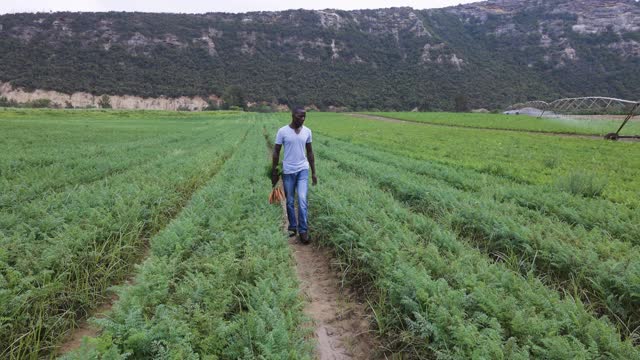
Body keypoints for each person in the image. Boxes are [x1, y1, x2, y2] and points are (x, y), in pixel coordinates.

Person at [272, 107, 317, 244]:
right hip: (288, 171)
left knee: (302, 200)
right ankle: (292, 227)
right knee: (290, 201)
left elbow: (310, 152)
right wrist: (274, 171)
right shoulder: (282, 131)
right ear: (292, 116)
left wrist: (314, 172)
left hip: (303, 169)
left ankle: (303, 231)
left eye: (304, 117)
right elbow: (276, 151)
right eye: (299, 116)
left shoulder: (307, 131)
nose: (302, 119)